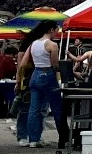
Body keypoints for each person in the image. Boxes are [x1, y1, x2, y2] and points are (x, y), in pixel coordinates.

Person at [20, 20, 66, 149]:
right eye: (56, 31)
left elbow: (23, 63)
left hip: (35, 75)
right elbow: (55, 65)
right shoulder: (52, 45)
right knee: (57, 107)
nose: (57, 33)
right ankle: (63, 137)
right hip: (48, 75)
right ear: (51, 30)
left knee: (34, 109)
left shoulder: (33, 44)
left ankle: (33, 139)